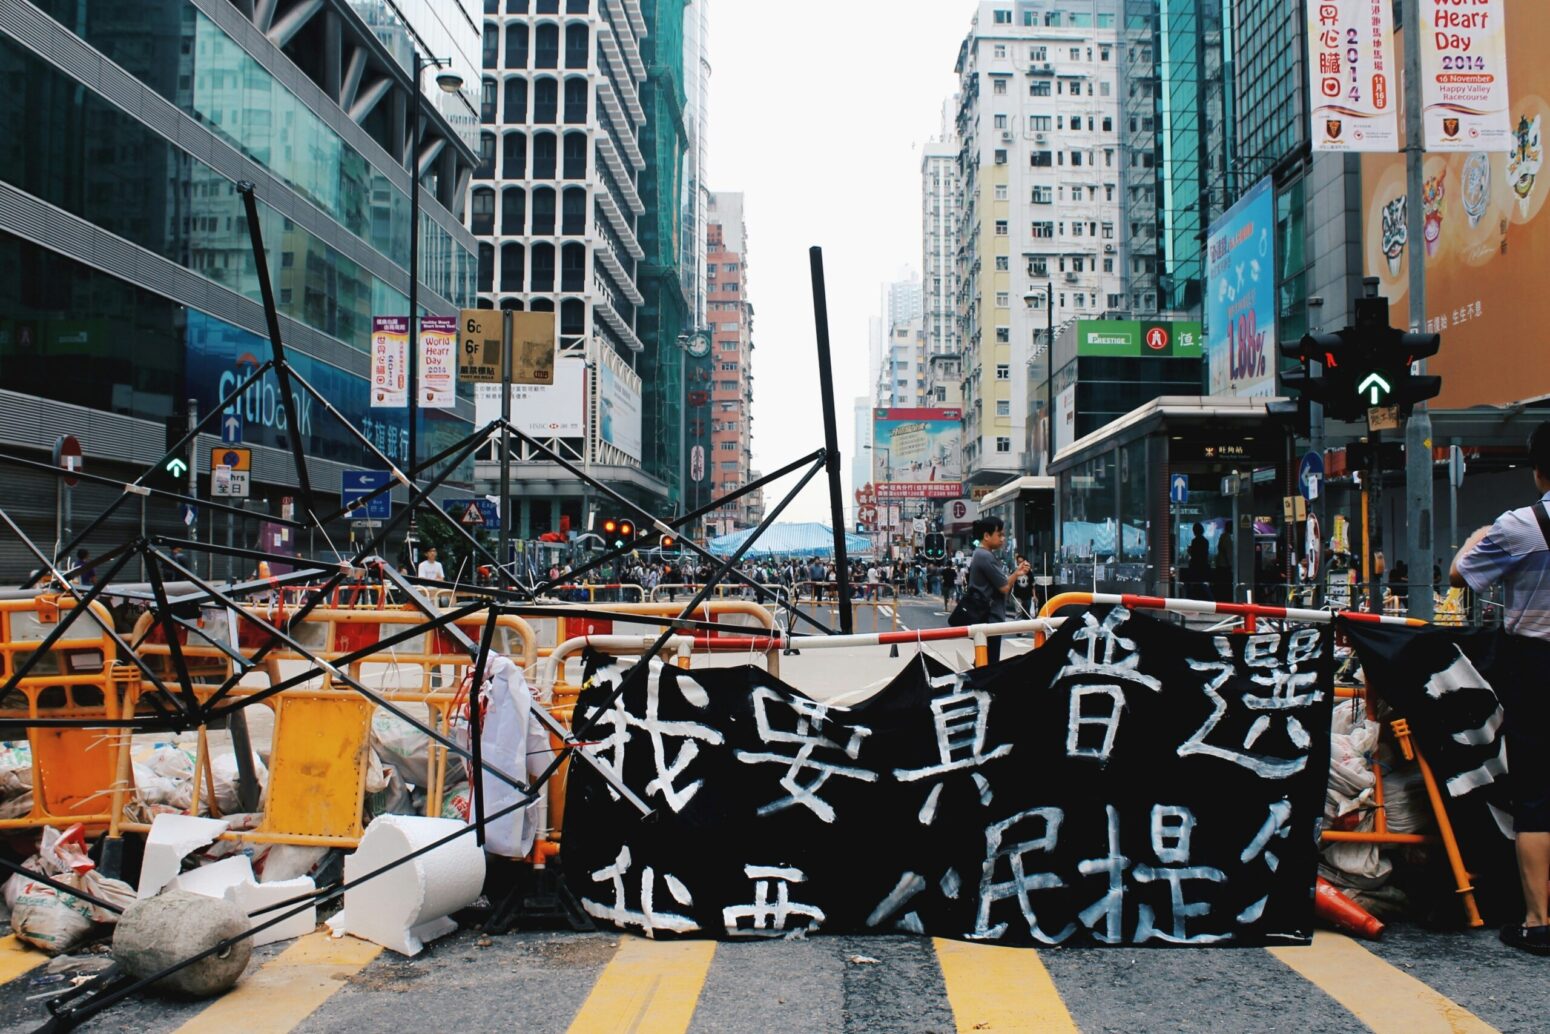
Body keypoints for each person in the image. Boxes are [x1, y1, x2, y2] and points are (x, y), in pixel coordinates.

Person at [1451, 420, 1550, 956]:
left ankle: (1538, 921)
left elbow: (1459, 576)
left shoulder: (1519, 526)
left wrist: (1472, 539)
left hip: (1536, 665)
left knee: (1537, 793)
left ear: (1538, 472)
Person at [968, 517, 1029, 665]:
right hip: (989, 618)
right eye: (999, 534)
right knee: (989, 662)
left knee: (984, 660)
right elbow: (1004, 587)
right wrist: (1016, 574)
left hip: (986, 617)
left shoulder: (981, 554)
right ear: (986, 536)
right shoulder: (985, 556)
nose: (1002, 539)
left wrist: (1015, 573)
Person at [1184, 523, 1212, 600]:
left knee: (1194, 585)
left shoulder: (1195, 541)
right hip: (1203, 566)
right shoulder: (1205, 541)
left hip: (1195, 567)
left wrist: (1189, 550)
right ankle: (1207, 599)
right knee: (1202, 585)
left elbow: (1194, 554)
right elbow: (1205, 554)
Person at [1012, 553, 1034, 617]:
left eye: (1021, 562)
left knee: (1027, 612)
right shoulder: (1015, 571)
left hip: (1027, 595)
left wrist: (1034, 596)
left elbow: (1032, 584)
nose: (1020, 563)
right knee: (1019, 612)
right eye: (1018, 562)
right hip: (1017, 595)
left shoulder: (1029, 572)